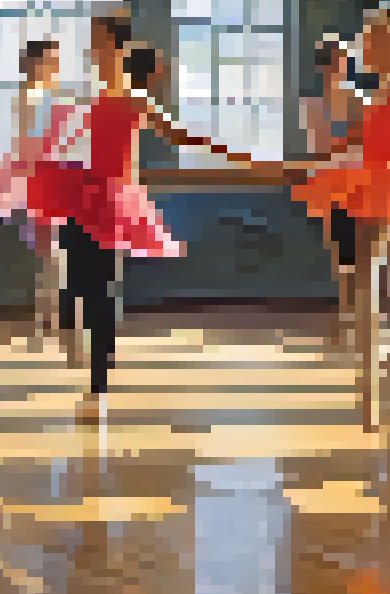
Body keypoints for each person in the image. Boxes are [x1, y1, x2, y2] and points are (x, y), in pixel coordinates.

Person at [31, 39, 278, 398]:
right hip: (83, 197)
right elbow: (58, 142)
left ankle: (96, 368)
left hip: (96, 198)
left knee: (94, 284)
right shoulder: (101, 99)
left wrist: (235, 153)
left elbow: (177, 135)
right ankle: (88, 356)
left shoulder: (123, 99)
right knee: (85, 283)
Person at [289, 8, 390, 373]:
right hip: (367, 176)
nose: (364, 49)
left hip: (383, 179)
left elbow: (379, 137)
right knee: (388, 268)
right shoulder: (385, 90)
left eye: (373, 42)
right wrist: (331, 156)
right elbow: (360, 135)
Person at [0, 39, 86, 349]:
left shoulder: (43, 95)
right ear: (35, 64)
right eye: (49, 60)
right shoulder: (32, 96)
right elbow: (30, 142)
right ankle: (51, 325)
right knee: (51, 253)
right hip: (41, 176)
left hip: (50, 174)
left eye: (55, 60)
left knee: (51, 254)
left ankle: (49, 324)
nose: (54, 66)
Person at [299, 34, 369, 343]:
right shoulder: (312, 105)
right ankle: (348, 318)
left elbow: (367, 145)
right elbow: (318, 148)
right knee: (342, 258)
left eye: (340, 59)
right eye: (330, 60)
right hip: (331, 184)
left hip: (359, 184)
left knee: (362, 257)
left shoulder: (359, 100)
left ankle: (363, 319)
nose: (335, 65)